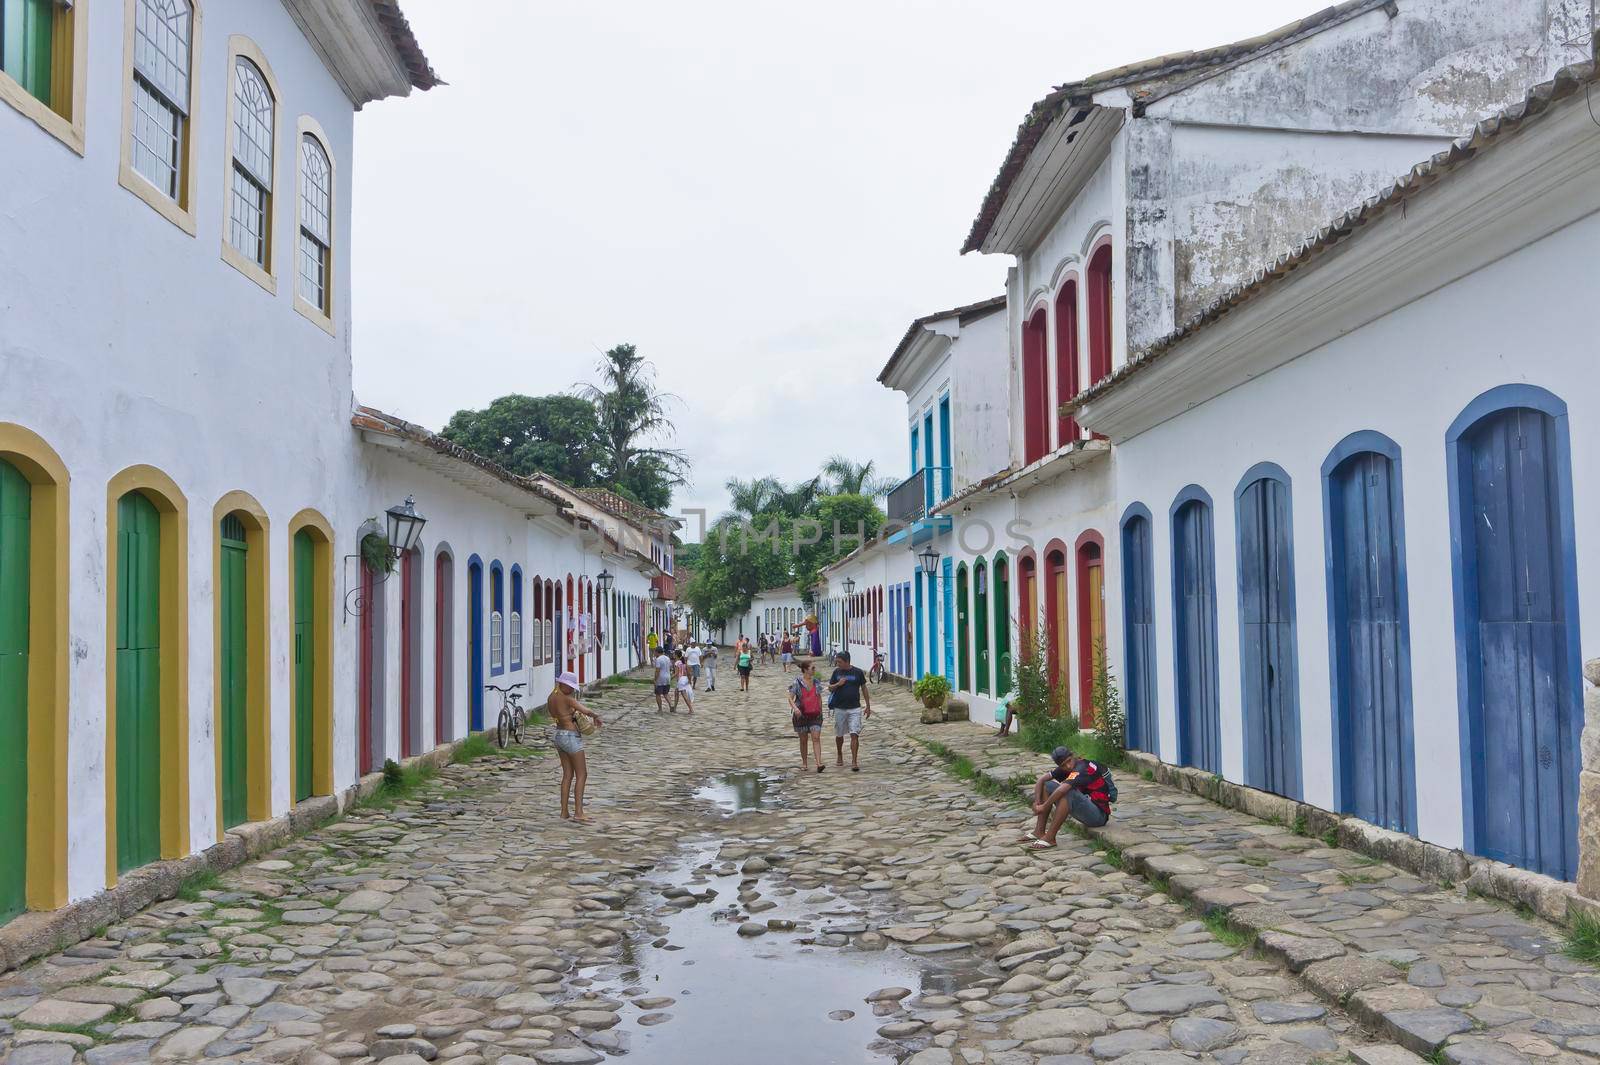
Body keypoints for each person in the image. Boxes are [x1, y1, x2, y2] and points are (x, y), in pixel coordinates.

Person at [1026, 745, 1114, 847]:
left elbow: (1063, 789)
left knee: (1068, 791)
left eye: (1069, 761)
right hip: (1087, 807)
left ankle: (1050, 837)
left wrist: (1044, 806)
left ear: (1073, 755)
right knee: (1046, 785)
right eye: (1063, 765)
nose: (1068, 766)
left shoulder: (1082, 767)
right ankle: (1039, 831)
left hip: (1098, 816)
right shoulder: (1066, 767)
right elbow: (1041, 780)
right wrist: (1037, 802)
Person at [547, 671, 602, 822]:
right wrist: (596, 716)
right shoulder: (566, 698)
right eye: (570, 687)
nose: (572, 690)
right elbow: (586, 710)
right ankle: (579, 812)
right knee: (582, 774)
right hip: (571, 737)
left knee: (567, 775)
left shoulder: (551, 697)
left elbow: (558, 713)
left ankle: (564, 811)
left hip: (558, 735)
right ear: (563, 684)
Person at [827, 651, 871, 771]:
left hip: (855, 708)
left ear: (847, 661)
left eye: (839, 661)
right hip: (840, 708)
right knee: (839, 734)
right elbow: (830, 688)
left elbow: (864, 688)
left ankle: (854, 761)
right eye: (837, 661)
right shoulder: (836, 672)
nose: (837, 663)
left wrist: (868, 705)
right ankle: (839, 754)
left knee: (854, 734)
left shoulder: (857, 672)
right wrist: (838, 684)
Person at [788, 660, 826, 772]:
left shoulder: (816, 682)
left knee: (816, 738)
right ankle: (804, 763)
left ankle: (819, 763)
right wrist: (795, 709)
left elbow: (818, 696)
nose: (814, 670)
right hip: (801, 715)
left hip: (815, 714)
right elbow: (790, 698)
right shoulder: (797, 682)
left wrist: (821, 711)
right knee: (803, 739)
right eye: (812, 668)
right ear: (805, 669)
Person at [653, 647, 673, 712]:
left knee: (658, 694)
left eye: (655, 652)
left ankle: (660, 708)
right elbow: (670, 667)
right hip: (668, 677)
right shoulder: (667, 658)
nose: (654, 653)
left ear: (657, 652)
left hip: (660, 678)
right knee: (666, 693)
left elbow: (657, 671)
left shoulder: (658, 659)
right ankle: (671, 705)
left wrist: (655, 679)